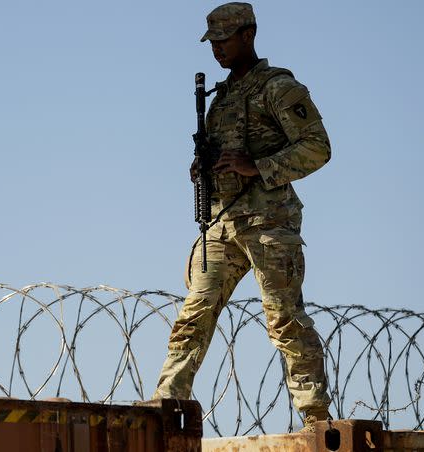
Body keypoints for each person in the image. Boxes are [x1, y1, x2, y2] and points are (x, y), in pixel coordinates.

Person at [151, 2, 332, 431]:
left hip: (269, 223)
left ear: (248, 35)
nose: (217, 49)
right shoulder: (222, 97)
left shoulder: (277, 87)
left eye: (224, 40)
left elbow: (318, 147)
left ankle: (315, 416)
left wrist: (258, 166)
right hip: (223, 222)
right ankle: (168, 399)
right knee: (194, 313)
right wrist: (204, 168)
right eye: (212, 42)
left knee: (284, 317)